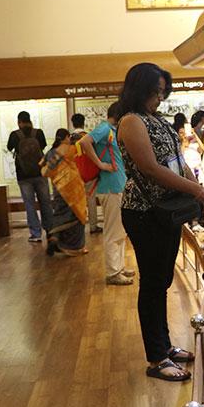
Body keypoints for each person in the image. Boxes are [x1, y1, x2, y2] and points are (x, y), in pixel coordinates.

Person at [117, 63, 204, 381]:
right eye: (155, 91)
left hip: (165, 210)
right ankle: (156, 357)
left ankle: (164, 346)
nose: (160, 97)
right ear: (140, 88)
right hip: (144, 211)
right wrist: (196, 190)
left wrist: (197, 185)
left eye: (163, 91)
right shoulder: (131, 121)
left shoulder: (154, 120)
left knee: (161, 281)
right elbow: (150, 168)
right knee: (152, 283)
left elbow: (176, 164)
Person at [79, 101, 134, 285]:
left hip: (116, 186)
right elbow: (85, 141)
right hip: (111, 187)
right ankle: (113, 272)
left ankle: (118, 267)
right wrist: (101, 164)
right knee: (113, 231)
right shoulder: (104, 128)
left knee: (119, 229)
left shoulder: (111, 129)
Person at [7, 111, 53, 242]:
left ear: (19, 122)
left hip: (23, 175)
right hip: (40, 173)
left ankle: (35, 233)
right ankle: (50, 230)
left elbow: (10, 148)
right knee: (45, 202)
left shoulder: (14, 135)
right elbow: (43, 146)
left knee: (29, 204)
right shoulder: (38, 133)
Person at [41, 129, 88, 256]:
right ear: (67, 137)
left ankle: (54, 238)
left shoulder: (51, 152)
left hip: (58, 190)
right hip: (72, 190)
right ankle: (74, 247)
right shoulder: (69, 149)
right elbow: (83, 148)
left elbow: (43, 168)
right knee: (77, 217)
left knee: (60, 216)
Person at [70, 113, 101, 234]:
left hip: (75, 175)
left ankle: (77, 228)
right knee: (91, 200)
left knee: (77, 202)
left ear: (73, 123)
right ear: (84, 122)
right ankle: (93, 226)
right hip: (90, 174)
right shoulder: (89, 137)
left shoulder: (68, 139)